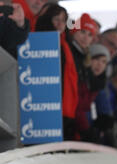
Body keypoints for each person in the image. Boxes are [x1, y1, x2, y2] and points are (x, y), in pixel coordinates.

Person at [35, 2, 79, 141]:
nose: (60, 24)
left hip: (64, 107)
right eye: (56, 19)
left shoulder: (65, 44)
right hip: (47, 107)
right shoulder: (39, 42)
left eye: (63, 20)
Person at [75, 43, 110, 142]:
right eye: (96, 59)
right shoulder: (81, 80)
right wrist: (87, 130)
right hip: (76, 134)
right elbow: (79, 107)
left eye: (104, 62)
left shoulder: (99, 83)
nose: (100, 64)